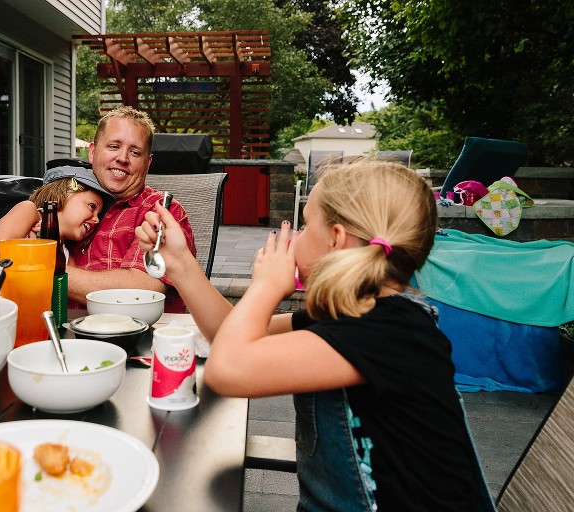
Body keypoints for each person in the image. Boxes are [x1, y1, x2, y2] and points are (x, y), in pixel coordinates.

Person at [135, 160, 496, 511]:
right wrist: (180, 263)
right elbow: (228, 333)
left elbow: (227, 369)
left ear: (336, 240)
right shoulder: (353, 315)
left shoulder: (388, 332)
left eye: (306, 226)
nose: (297, 237)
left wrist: (268, 287)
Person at [0, 106, 196, 312]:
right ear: (92, 153)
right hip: (46, 329)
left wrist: (35, 266)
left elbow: (145, 286)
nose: (122, 158)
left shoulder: (159, 209)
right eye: (113, 146)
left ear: (148, 164)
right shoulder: (62, 209)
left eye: (135, 152)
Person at [0, 166, 114, 295]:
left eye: (99, 214)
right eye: (92, 206)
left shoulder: (66, 256)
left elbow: (63, 291)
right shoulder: (28, 211)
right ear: (65, 193)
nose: (96, 219)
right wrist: (35, 250)